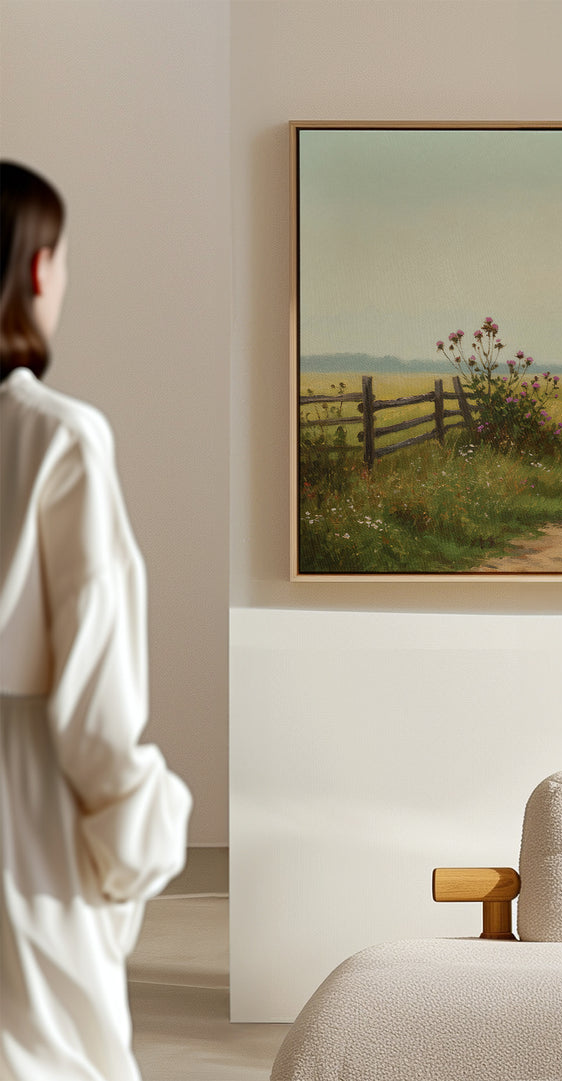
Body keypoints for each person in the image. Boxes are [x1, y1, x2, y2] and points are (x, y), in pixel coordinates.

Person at [0, 161, 192, 1081]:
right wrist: (138, 833)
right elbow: (93, 705)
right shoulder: (57, 438)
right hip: (21, 811)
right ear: (38, 269)